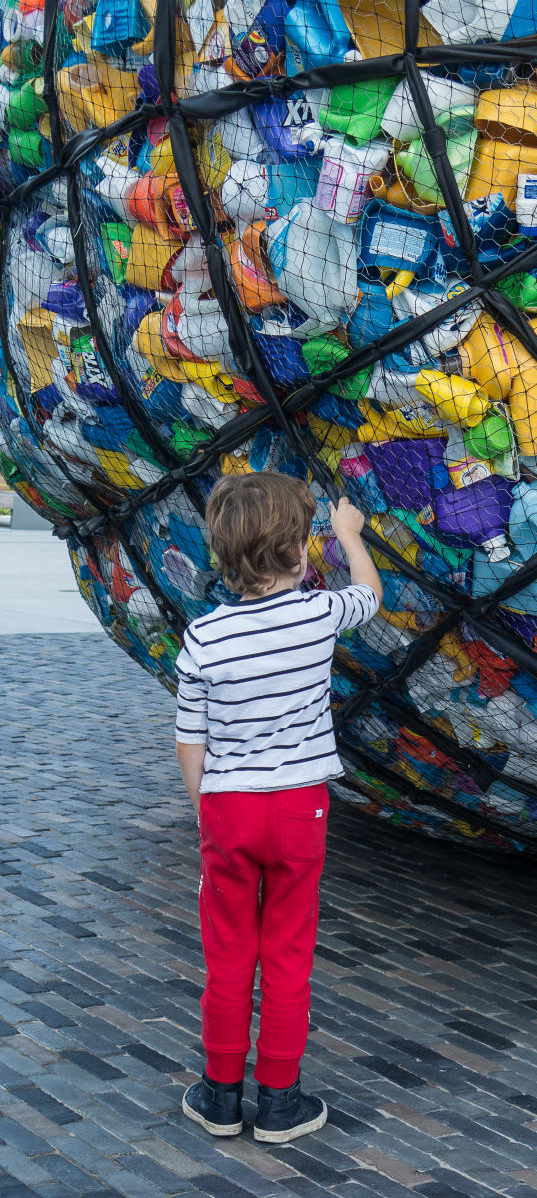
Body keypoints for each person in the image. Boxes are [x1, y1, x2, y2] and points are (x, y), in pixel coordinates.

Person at [174, 473, 382, 1144]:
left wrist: (207, 821)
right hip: (299, 807)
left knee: (228, 955)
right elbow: (370, 597)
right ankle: (282, 1101)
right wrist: (350, 537)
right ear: (298, 552)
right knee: (287, 954)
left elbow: (189, 740)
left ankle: (220, 1094)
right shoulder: (319, 614)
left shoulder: (203, 640)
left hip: (229, 807)